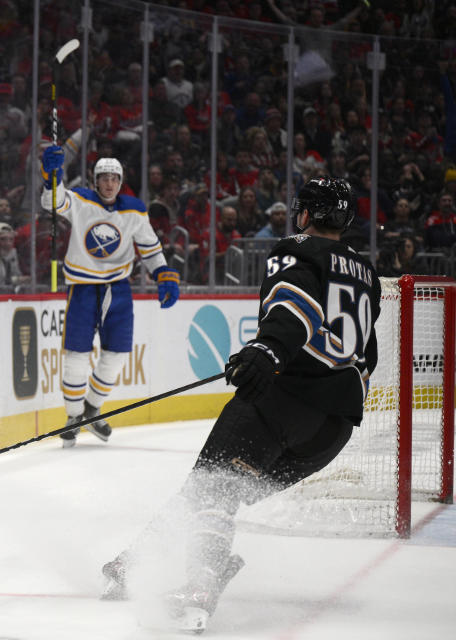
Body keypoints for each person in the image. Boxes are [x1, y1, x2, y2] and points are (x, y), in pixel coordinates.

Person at [100, 177, 380, 633]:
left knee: (212, 489)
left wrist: (269, 349)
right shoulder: (366, 272)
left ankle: (201, 581)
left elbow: (297, 307)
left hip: (283, 401)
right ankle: (139, 560)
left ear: (306, 214)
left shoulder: (297, 249)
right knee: (213, 490)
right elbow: (366, 356)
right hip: (332, 432)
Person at [40, 146, 180, 448]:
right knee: (76, 357)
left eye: (114, 178)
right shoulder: (80, 201)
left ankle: (92, 408)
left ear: (121, 182)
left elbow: (150, 246)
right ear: (95, 181)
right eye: (103, 178)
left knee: (116, 356)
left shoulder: (134, 210)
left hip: (118, 289)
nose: (109, 184)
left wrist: (163, 273)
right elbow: (51, 201)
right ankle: (74, 416)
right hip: (82, 287)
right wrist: (52, 176)